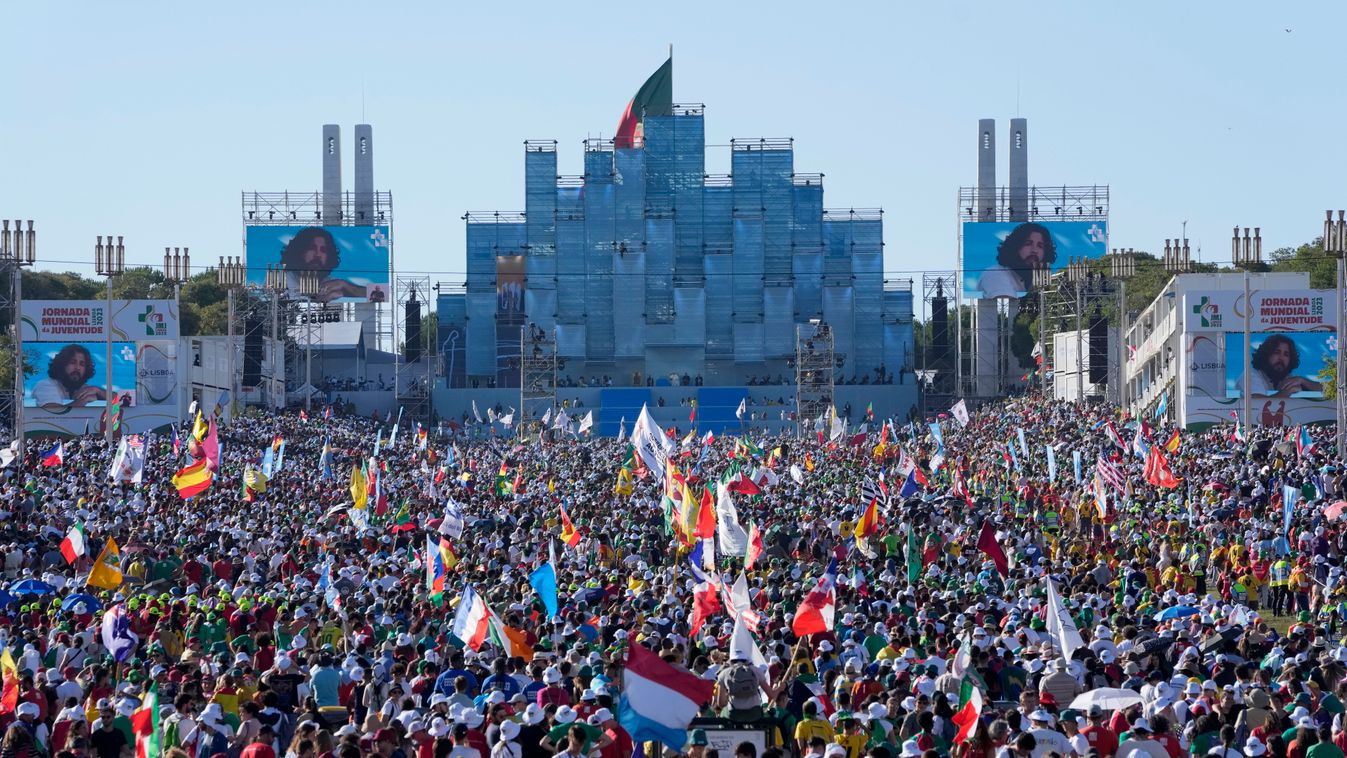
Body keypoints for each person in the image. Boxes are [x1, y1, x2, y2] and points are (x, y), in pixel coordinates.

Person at [277, 227, 369, 302]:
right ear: (299, 251)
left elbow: (377, 294)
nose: (318, 254)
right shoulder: (280, 278)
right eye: (312, 248)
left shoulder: (333, 283)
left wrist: (352, 289)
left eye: (323, 250)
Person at [975, 222, 1056, 299]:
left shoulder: (1037, 277)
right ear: (1015, 246)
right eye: (1028, 244)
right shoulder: (995, 273)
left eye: (1040, 246)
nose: (1034, 250)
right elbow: (1006, 304)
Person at [1240, 335, 1324, 398]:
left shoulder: (1286, 376)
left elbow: (1326, 389)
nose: (1281, 358)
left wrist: (1302, 381)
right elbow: (1257, 403)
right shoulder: (1251, 374)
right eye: (1277, 352)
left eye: (1286, 354)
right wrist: (1285, 393)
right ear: (1266, 354)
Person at [31, 344, 107, 408]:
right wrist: (83, 401)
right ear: (62, 365)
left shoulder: (83, 387)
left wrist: (99, 391)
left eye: (82, 364)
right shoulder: (45, 385)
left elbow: (115, 400)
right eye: (72, 362)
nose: (77, 367)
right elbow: (54, 413)